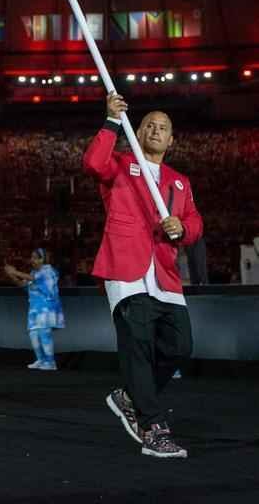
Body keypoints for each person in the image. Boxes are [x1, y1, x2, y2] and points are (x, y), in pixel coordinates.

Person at [85, 93, 202, 459]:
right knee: (137, 348)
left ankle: (129, 396)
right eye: (149, 124)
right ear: (139, 130)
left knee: (180, 346)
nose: (156, 129)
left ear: (171, 140)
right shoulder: (120, 164)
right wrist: (110, 121)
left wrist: (181, 226)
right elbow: (92, 163)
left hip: (165, 275)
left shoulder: (180, 182)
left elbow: (196, 223)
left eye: (163, 127)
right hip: (125, 269)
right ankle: (154, 428)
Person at [5, 248, 64, 370]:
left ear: (42, 259)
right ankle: (41, 360)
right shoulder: (33, 273)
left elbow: (34, 279)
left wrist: (15, 272)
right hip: (34, 309)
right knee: (33, 334)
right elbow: (23, 285)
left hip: (47, 309)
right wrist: (12, 276)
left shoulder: (48, 270)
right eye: (31, 257)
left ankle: (50, 362)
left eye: (35, 258)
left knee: (44, 334)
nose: (32, 260)